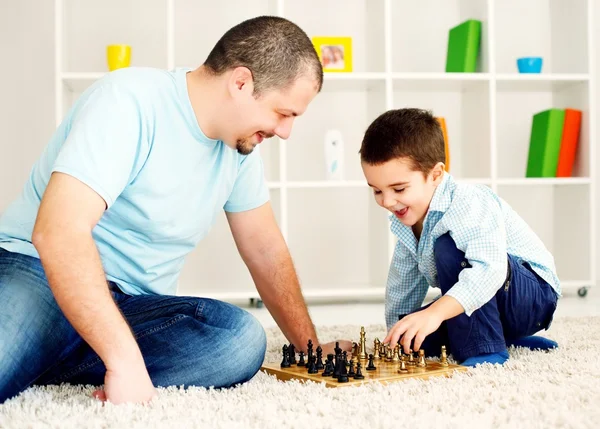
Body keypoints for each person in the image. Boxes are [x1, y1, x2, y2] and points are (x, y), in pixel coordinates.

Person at [0, 16, 351, 405]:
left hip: (133, 306)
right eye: (283, 113)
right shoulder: (129, 99)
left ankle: (56, 356)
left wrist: (310, 346)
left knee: (239, 340)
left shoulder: (241, 151)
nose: (285, 132)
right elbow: (58, 232)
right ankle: (93, 354)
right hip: (39, 272)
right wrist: (125, 360)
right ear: (241, 83)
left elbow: (265, 250)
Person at [359, 108, 560, 367]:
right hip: (492, 302)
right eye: (376, 191)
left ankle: (487, 349)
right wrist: (398, 335)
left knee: (447, 248)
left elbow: (489, 270)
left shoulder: (467, 202)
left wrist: (435, 312)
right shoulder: (407, 224)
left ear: (435, 175)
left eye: (398, 189)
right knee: (418, 338)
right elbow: (403, 287)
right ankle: (505, 337)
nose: (387, 201)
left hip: (533, 296)